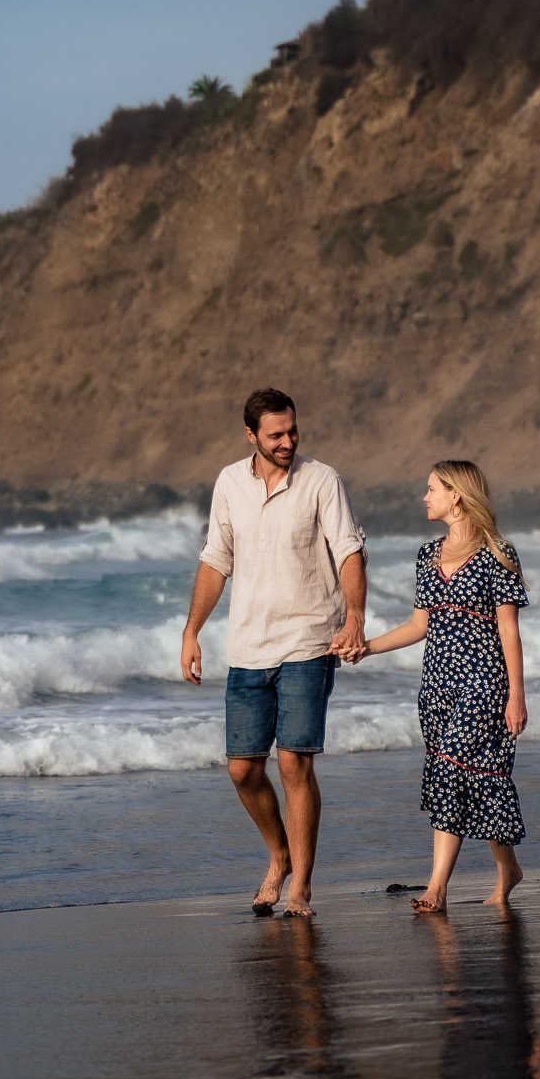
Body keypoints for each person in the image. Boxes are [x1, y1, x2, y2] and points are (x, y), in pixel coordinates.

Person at [181, 388, 368, 918]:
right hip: (248, 645)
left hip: (311, 638)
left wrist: (354, 617)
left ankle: (300, 886)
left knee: (294, 761)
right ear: (251, 436)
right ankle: (278, 853)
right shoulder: (228, 483)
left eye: (292, 432)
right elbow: (216, 560)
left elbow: (350, 551)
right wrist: (192, 630)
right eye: (276, 435)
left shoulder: (321, 480)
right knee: (242, 769)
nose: (288, 442)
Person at [360, 460, 529, 910]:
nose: (425, 496)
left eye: (432, 488)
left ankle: (437, 887)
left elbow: (509, 632)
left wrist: (516, 696)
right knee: (473, 776)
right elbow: (419, 625)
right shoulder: (425, 555)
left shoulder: (499, 553)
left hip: (484, 681)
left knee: (450, 769)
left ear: (456, 494)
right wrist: (368, 647)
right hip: (436, 685)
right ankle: (507, 868)